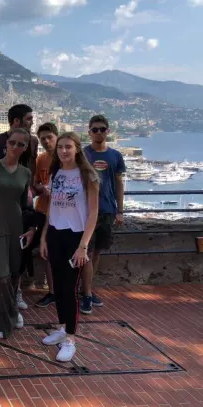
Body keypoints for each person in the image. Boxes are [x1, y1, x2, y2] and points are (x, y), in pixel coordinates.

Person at [39, 132, 99, 362]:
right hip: (56, 233)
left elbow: (93, 213)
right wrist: (44, 237)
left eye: (68, 147)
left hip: (76, 237)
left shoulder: (87, 175)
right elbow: (52, 208)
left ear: (77, 149)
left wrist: (83, 246)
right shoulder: (56, 173)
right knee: (58, 286)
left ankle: (71, 339)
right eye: (60, 147)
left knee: (69, 288)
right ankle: (63, 327)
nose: (64, 151)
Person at [0, 128, 36, 339]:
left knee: (13, 275)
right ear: (6, 143)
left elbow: (25, 205)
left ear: (25, 148)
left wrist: (31, 229)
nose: (15, 147)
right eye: (12, 142)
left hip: (16, 229)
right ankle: (5, 320)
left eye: (21, 144)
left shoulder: (25, 173)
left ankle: (7, 312)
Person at [0, 104, 38, 311]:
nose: (32, 122)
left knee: (19, 257)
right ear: (16, 120)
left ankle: (16, 294)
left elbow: (31, 170)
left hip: (21, 204)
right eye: (29, 119)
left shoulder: (33, 142)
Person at [82, 115, 125, 313]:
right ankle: (86, 294)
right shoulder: (83, 154)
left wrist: (120, 210)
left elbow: (119, 183)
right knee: (86, 252)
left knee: (96, 253)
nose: (98, 132)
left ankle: (88, 289)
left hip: (107, 210)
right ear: (89, 132)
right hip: (87, 211)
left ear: (108, 131)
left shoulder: (116, 156)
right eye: (95, 129)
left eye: (102, 129)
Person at [32, 123, 59, 308]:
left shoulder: (67, 157)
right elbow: (35, 184)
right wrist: (41, 188)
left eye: (49, 137)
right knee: (47, 254)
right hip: (43, 211)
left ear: (57, 136)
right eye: (43, 139)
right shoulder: (41, 159)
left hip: (63, 213)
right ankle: (52, 292)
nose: (46, 141)